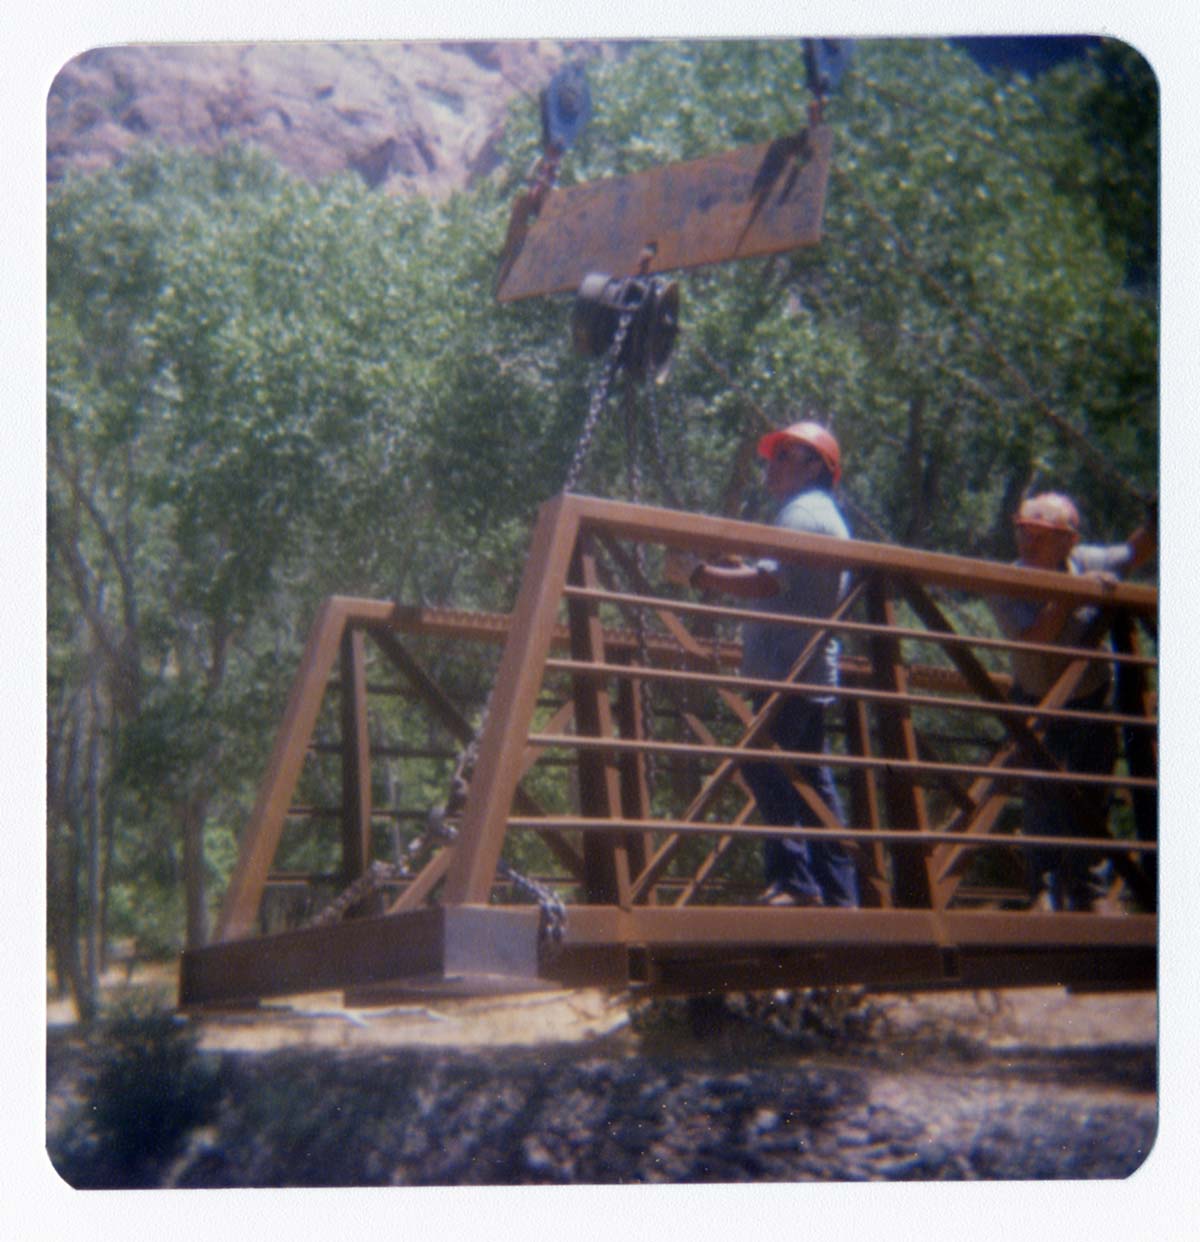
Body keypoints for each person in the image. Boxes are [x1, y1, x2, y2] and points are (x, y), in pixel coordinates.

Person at [674, 420, 859, 908]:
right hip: (806, 668)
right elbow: (780, 577)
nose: (771, 465)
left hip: (788, 672)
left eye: (785, 456)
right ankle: (839, 895)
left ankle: (796, 883)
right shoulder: (820, 515)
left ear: (816, 466)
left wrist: (698, 574)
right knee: (811, 785)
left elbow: (768, 584)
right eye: (771, 455)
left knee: (762, 764)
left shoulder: (800, 515)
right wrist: (729, 558)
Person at [990, 492, 1156, 911]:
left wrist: (1159, 520)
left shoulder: (1088, 560)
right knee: (1041, 794)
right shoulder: (1002, 582)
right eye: (1022, 531)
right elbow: (1036, 639)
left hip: (1089, 698)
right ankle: (1044, 890)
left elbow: (1135, 552)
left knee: (1091, 794)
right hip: (1036, 698)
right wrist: (1075, 593)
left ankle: (1087, 890)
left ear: (1069, 540)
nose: (1027, 542)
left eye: (1040, 534)